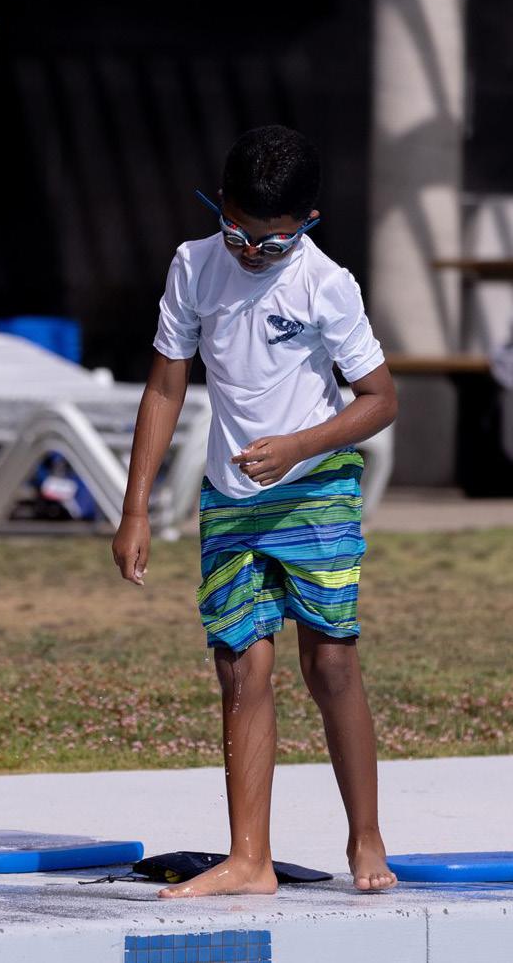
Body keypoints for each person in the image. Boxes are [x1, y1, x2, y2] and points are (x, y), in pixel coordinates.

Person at [112, 125, 398, 898]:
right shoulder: (193, 265)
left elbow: (380, 399)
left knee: (329, 661)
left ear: (307, 223)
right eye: (237, 232)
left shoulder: (324, 283)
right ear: (219, 204)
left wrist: (300, 444)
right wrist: (136, 508)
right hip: (231, 495)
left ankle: (365, 833)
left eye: (272, 243)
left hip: (315, 486)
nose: (251, 253)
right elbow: (166, 384)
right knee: (241, 664)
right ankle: (250, 859)